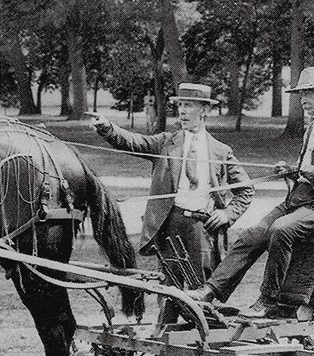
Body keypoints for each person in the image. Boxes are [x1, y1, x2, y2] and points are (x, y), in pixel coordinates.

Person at [193, 66, 314, 318]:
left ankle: (268, 299)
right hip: (300, 199)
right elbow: (308, 168)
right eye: (301, 96)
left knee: (281, 229)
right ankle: (211, 290)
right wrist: (293, 170)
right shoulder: (312, 127)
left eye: (308, 94)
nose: (303, 101)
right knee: (253, 235)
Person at [87, 83, 255, 297]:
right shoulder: (165, 143)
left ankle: (199, 329)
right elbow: (133, 142)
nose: (182, 111)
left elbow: (246, 190)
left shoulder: (221, 151)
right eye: (180, 105)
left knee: (201, 291)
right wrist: (107, 128)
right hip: (170, 224)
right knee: (168, 289)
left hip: (202, 228)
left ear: (204, 110)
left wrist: (227, 214)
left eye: (189, 105)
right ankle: (164, 328)